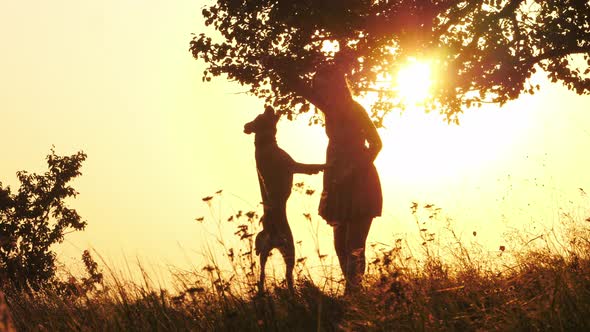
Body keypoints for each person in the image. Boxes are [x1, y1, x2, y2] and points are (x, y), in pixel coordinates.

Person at [313, 65, 383, 294]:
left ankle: (354, 292)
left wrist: (353, 170)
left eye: (324, 88)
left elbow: (377, 143)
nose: (320, 94)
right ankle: (353, 291)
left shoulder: (355, 109)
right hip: (336, 185)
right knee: (339, 244)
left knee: (354, 244)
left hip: (360, 183)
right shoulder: (330, 112)